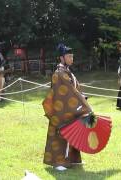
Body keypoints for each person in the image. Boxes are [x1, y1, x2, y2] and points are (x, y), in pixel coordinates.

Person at [42, 43, 93, 171]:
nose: (71, 59)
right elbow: (69, 91)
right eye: (69, 56)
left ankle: (71, 160)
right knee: (61, 134)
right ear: (61, 58)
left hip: (68, 107)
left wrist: (82, 98)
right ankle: (59, 162)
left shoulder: (66, 71)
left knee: (71, 133)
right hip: (61, 110)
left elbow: (75, 89)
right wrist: (84, 105)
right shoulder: (59, 73)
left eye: (72, 56)